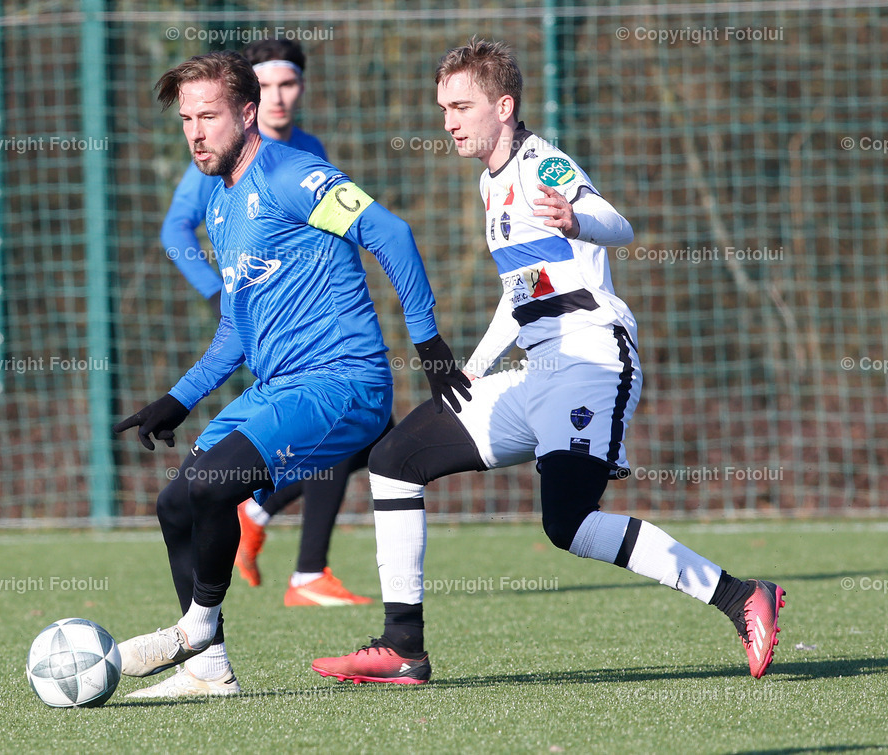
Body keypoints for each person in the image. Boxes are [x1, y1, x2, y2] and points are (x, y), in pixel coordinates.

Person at [312, 38, 785, 685]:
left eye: (461, 106)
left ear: (503, 106)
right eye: (443, 107)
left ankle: (740, 595)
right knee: (396, 460)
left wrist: (576, 219)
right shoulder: (489, 183)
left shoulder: (543, 166)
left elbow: (616, 222)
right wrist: (474, 366)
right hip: (535, 371)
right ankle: (403, 648)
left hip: (591, 357)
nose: (448, 120)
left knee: (568, 521)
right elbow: (523, 293)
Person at [114, 50, 470, 698]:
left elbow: (389, 231)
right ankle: (208, 666)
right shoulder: (220, 206)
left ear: (246, 114)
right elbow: (236, 331)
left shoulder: (290, 175)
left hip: (344, 382)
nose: (196, 131)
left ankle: (194, 629)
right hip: (279, 386)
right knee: (176, 504)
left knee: (215, 486)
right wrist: (178, 398)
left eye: (209, 116)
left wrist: (428, 342)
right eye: (187, 119)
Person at [159, 39, 389, 606]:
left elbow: (372, 233)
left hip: (321, 352)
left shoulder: (305, 154)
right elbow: (175, 232)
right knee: (218, 478)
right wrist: (221, 293)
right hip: (254, 337)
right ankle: (287, 559)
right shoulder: (213, 161)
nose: (278, 96)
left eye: (288, 84)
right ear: (246, 100)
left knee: (362, 433)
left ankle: (293, 554)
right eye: (267, 85)